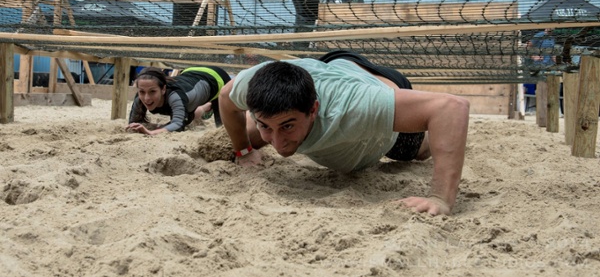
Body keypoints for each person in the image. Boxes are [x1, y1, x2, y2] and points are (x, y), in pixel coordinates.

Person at [219, 50, 470, 216]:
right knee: (247, 138)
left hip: (377, 86)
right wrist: (243, 151)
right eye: (266, 125)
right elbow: (225, 98)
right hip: (329, 66)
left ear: (313, 110)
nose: (277, 141)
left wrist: (440, 198)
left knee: (421, 151)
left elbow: (451, 107)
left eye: (287, 126)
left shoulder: (356, 107)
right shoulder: (248, 84)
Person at [127, 66, 231, 135]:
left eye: (152, 92)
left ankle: (210, 105)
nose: (146, 98)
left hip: (218, 78)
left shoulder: (176, 95)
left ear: (163, 89)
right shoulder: (141, 95)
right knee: (187, 113)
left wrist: (150, 132)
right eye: (141, 92)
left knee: (222, 128)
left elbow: (178, 125)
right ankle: (206, 107)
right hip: (189, 72)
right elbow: (133, 124)